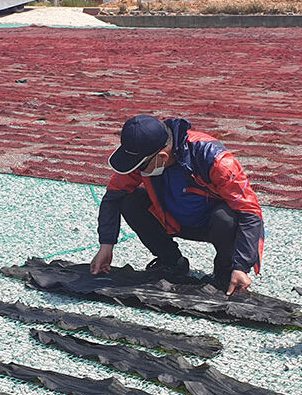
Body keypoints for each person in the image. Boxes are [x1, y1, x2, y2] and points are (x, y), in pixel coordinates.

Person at [90, 115, 264, 296]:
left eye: (140, 166)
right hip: (173, 219)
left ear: (162, 157)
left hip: (215, 224)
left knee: (226, 217)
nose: (136, 170)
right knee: (129, 201)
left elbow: (250, 213)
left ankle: (226, 272)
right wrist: (106, 245)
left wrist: (241, 266)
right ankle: (171, 262)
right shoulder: (146, 153)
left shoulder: (215, 159)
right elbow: (113, 197)